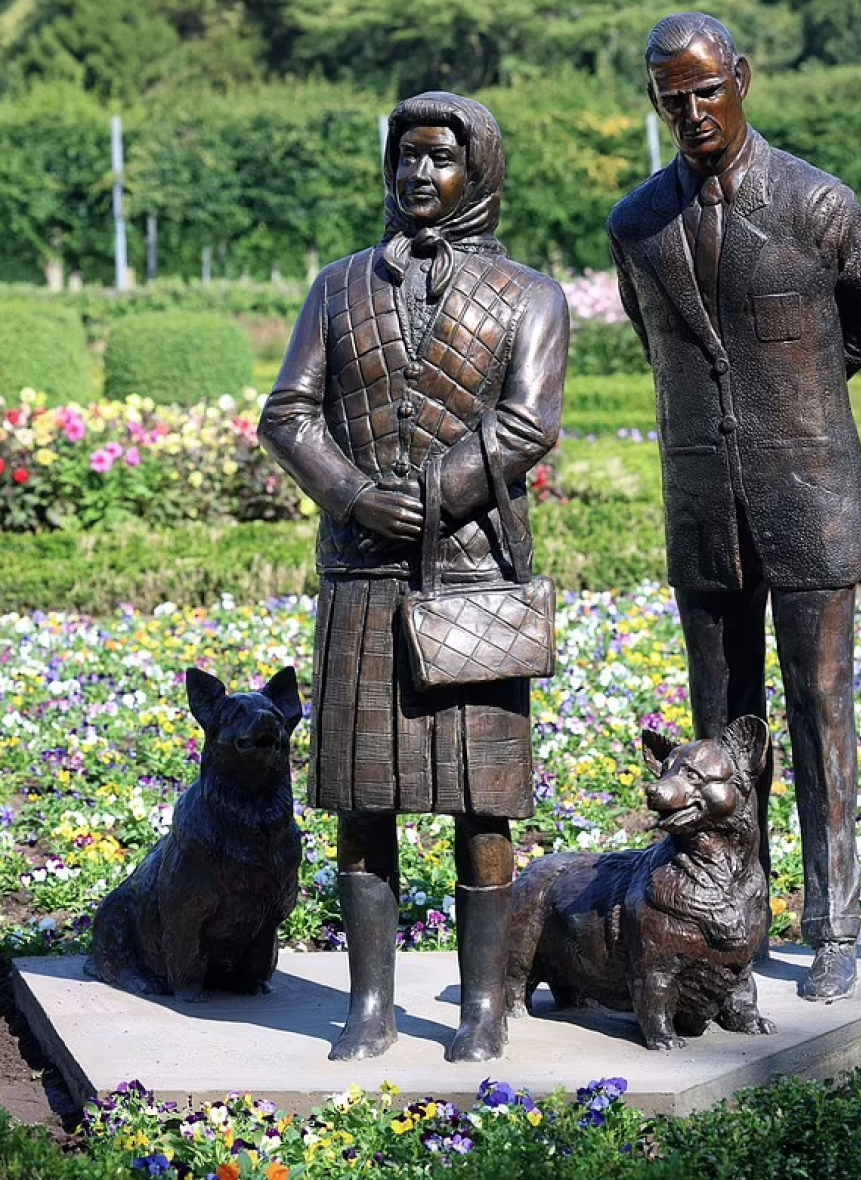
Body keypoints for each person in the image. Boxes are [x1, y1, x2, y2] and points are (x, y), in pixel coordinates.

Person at [259, 92, 567, 1060]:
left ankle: (480, 1008)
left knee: (483, 798)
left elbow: (525, 424)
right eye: (404, 158)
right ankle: (370, 1005)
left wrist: (430, 496)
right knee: (365, 796)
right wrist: (352, 496)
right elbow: (289, 413)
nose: (417, 175)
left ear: (478, 170)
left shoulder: (529, 294)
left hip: (472, 574)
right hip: (361, 571)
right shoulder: (337, 284)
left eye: (437, 158)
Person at [608, 12, 861, 1001]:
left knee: (820, 713)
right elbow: (666, 356)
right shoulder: (637, 223)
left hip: (809, 494)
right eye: (670, 96)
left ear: (741, 78)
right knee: (716, 736)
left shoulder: (818, 203)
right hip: (701, 505)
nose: (690, 111)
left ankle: (833, 924)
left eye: (704, 89)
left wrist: (803, 397)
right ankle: (733, 923)